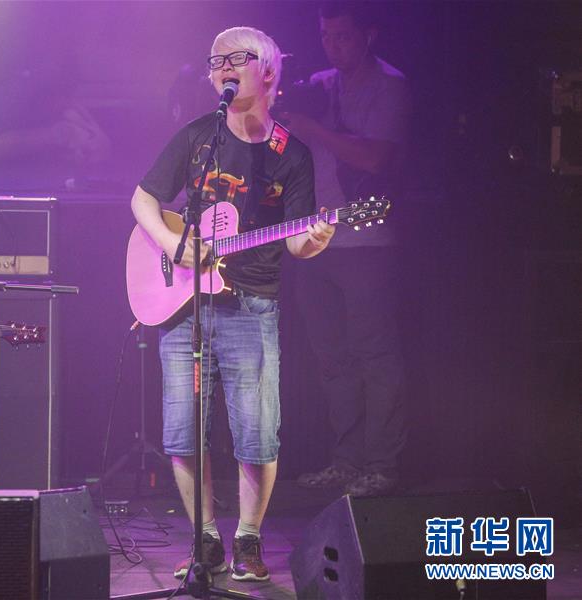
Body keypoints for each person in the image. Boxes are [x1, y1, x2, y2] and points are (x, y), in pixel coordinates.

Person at [131, 27, 334, 582]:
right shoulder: (198, 137)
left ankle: (247, 538)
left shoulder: (292, 155)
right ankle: (204, 540)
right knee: (182, 433)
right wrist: (173, 243)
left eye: (236, 58)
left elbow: (297, 242)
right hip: (184, 308)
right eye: (214, 60)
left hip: (252, 304)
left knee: (256, 433)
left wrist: (315, 239)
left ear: (268, 71)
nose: (222, 66)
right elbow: (144, 197)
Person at [281, 1, 410, 497]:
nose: (333, 47)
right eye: (326, 37)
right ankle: (346, 461)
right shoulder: (318, 85)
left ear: (368, 35)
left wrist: (312, 127)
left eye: (343, 37)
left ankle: (381, 466)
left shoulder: (389, 85)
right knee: (331, 358)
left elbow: (375, 157)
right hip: (314, 241)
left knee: (375, 354)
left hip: (366, 240)